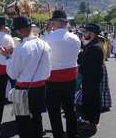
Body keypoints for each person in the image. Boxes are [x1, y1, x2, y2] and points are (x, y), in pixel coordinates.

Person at [7, 16, 51, 138]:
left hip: (23, 89)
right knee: (37, 117)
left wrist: (8, 58)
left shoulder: (20, 49)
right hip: (41, 88)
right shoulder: (45, 45)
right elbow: (48, 71)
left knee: (22, 121)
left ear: (20, 31)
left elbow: (13, 74)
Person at [44, 10, 80, 138]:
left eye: (53, 22)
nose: (51, 24)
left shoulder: (47, 38)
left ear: (57, 22)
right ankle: (72, 133)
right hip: (70, 78)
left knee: (54, 111)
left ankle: (58, 135)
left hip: (53, 79)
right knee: (70, 108)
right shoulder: (75, 38)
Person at [78, 23, 104, 131]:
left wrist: (80, 57)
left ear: (92, 33)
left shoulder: (95, 47)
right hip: (90, 77)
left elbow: (87, 63)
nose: (85, 33)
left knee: (92, 100)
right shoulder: (93, 44)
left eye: (86, 32)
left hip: (92, 78)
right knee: (89, 99)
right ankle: (88, 120)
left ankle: (92, 123)